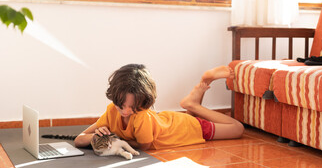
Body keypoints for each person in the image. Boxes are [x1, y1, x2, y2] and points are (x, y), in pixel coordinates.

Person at [74, 64, 244, 150]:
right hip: (169, 122)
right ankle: (196, 96)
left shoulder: (141, 117)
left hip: (189, 128)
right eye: (121, 105)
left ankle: (193, 104)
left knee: (237, 128)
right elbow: (79, 139)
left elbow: (144, 145)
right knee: (189, 116)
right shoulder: (111, 111)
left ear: (143, 102)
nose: (125, 111)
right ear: (114, 98)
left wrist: (114, 138)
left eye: (132, 107)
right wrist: (99, 137)